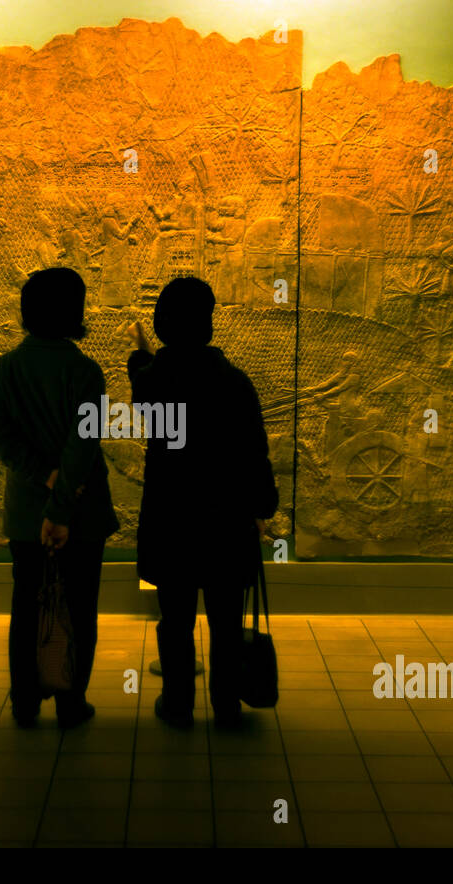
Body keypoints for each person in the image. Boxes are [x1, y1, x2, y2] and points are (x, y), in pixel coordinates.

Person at [125, 277, 278, 730]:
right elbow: (255, 450)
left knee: (174, 621)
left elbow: (143, 380)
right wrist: (261, 506)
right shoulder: (234, 383)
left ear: (163, 324)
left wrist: (139, 349)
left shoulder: (154, 382)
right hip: (225, 521)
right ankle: (227, 707)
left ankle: (177, 704)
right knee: (227, 621)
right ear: (208, 324)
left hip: (171, 520)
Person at [0, 267, 118, 729]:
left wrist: (42, 477)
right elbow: (84, 445)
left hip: (26, 513)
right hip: (80, 515)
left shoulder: (7, 367)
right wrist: (61, 505)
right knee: (79, 607)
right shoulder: (84, 371)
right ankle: (70, 701)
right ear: (74, 312)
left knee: (27, 606)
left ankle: (24, 699)